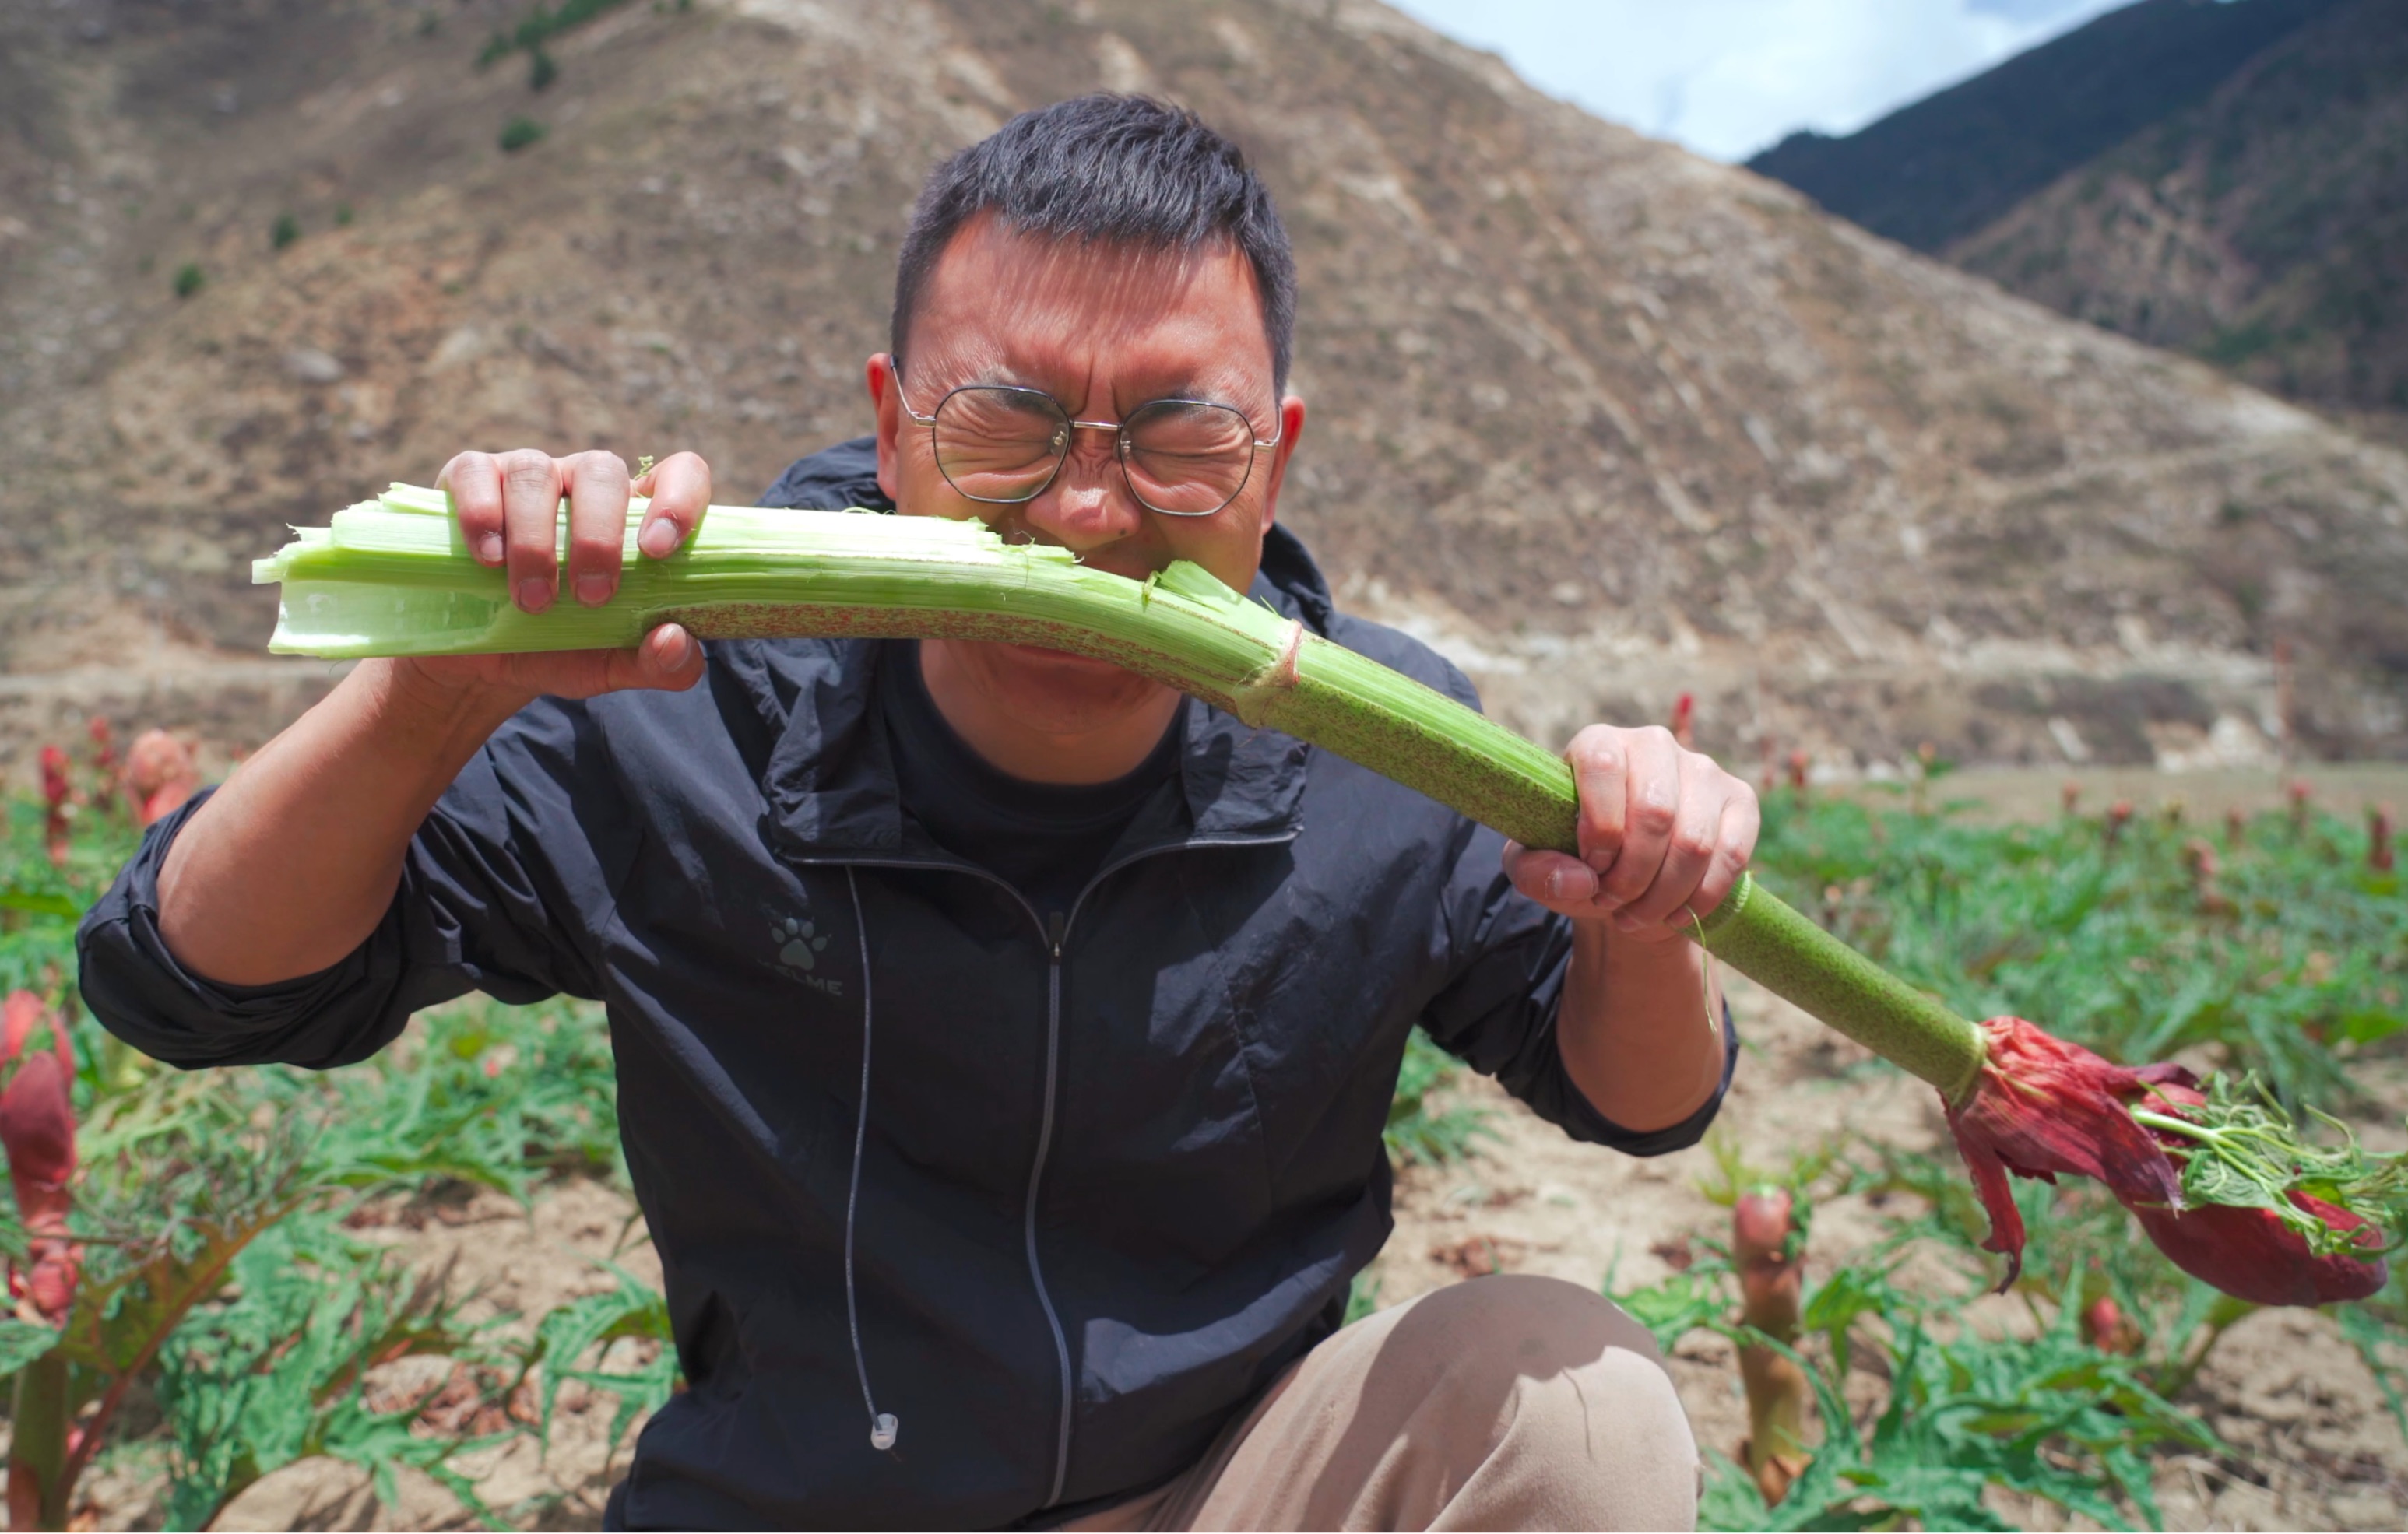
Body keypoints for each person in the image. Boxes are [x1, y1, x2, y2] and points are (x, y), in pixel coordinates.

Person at [79, 95, 1758, 1531]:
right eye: (1008, 423)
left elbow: (1640, 1102)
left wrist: (1643, 921)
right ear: (892, 431)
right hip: (807, 1502)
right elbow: (191, 978)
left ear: (1276, 457)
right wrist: (438, 684)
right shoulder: (679, 700)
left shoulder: (1390, 742)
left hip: (1226, 1487)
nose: (1091, 510)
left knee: (1582, 1403)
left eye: (1178, 436)